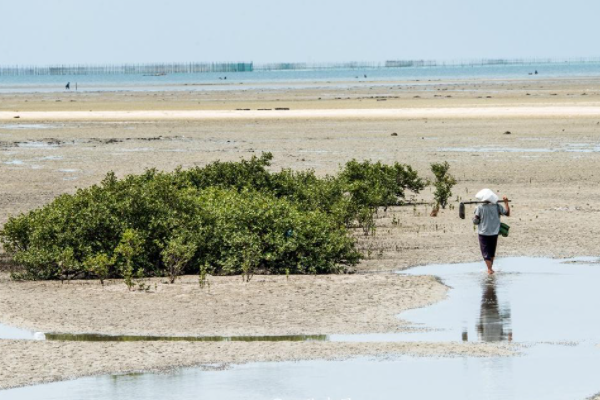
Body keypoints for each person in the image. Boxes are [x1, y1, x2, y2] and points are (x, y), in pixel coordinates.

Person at [472, 189, 510, 274]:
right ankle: (490, 268)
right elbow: (507, 213)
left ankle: (489, 269)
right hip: (494, 232)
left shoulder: (480, 207)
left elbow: (476, 221)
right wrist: (506, 202)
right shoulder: (497, 206)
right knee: (492, 251)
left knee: (485, 251)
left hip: (483, 232)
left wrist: (473, 219)